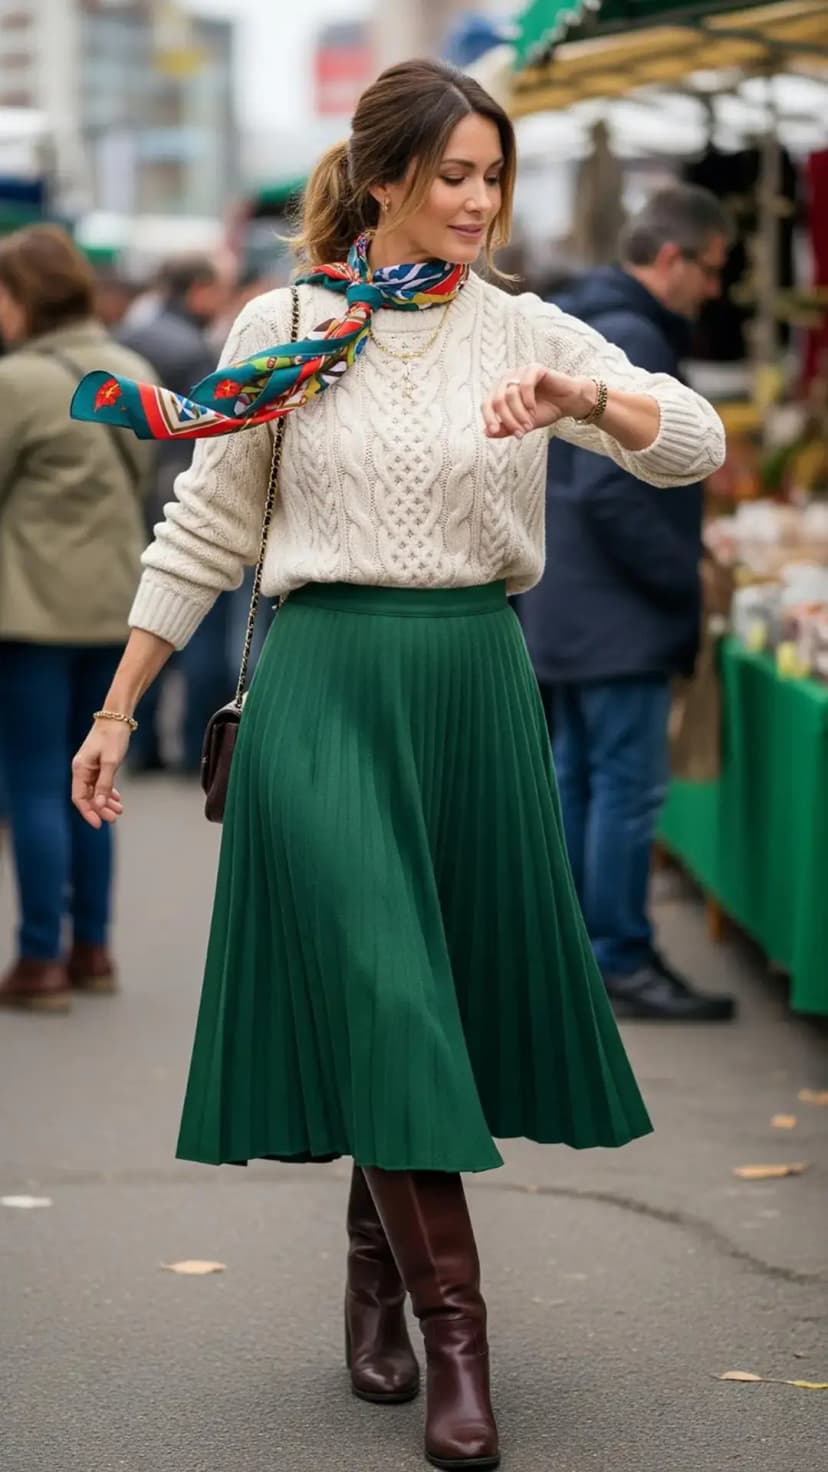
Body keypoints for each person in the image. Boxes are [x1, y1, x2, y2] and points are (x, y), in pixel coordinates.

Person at [70, 62, 726, 1470]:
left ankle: (375, 1263)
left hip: (474, 688)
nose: (479, 202)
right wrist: (120, 707)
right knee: (386, 984)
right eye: (453, 177)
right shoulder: (288, 324)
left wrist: (585, 400)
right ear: (383, 180)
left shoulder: (526, 332)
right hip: (324, 688)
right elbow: (205, 525)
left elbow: (698, 441)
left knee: (425, 999)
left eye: (493, 175)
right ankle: (460, 1336)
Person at [519, 185, 736, 1024]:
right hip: (613, 611)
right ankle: (617, 954)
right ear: (673, 259)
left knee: (581, 780)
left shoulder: (591, 320)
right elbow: (610, 493)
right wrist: (679, 578)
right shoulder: (636, 336)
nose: (714, 292)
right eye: (712, 270)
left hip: (569, 603)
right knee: (621, 787)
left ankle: (582, 949)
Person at [0, 224, 155, 1011]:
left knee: (32, 783)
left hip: (31, 612)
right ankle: (92, 947)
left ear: (23, 296)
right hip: (122, 609)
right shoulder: (129, 367)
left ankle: (38, 961)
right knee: (94, 778)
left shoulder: (19, 383)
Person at [119, 254, 232, 773]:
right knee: (202, 630)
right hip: (186, 485)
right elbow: (212, 434)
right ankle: (192, 749)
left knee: (150, 611)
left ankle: (140, 746)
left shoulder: (133, 335)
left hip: (141, 488)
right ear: (199, 290)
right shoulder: (193, 349)